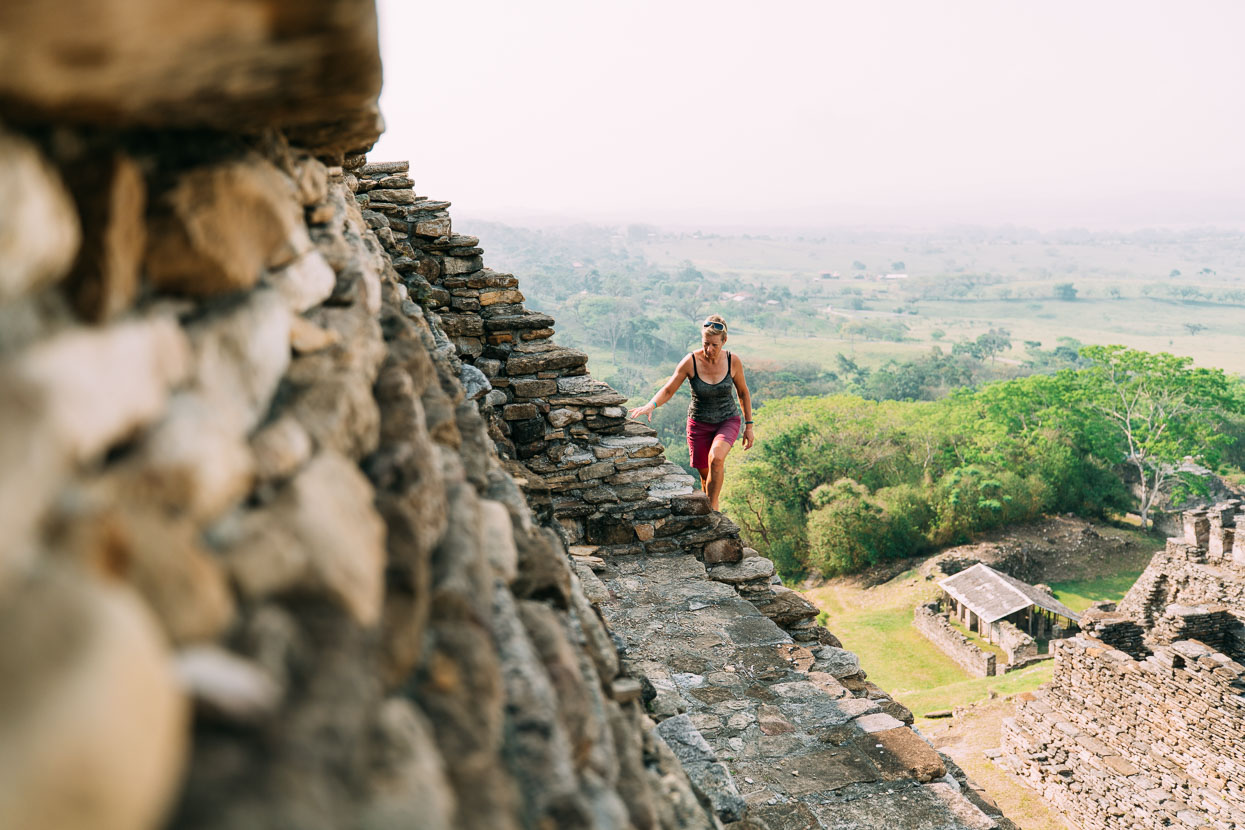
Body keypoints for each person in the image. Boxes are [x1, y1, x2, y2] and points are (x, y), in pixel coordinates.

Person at [628, 314, 754, 511]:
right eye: (705, 344)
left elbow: (743, 393)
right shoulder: (691, 361)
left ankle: (713, 511)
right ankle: (708, 507)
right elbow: (669, 389)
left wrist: (749, 425)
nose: (709, 349)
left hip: (727, 420)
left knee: (717, 459)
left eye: (714, 345)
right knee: (705, 477)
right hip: (698, 424)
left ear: (724, 341)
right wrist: (651, 405)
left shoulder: (732, 361)